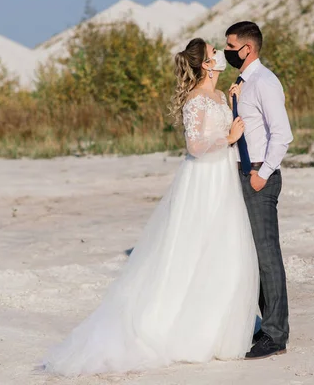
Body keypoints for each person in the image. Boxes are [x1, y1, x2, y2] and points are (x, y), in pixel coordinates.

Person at [41, 38, 259, 376]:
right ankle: (182, 330)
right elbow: (196, 146)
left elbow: (220, 127)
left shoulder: (217, 96)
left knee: (224, 249)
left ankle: (219, 330)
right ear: (205, 64)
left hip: (223, 179)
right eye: (215, 53)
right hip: (202, 179)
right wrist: (228, 139)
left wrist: (232, 103)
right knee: (192, 249)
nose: (220, 56)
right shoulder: (196, 100)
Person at [224, 21, 293, 360]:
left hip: (259, 176)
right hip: (242, 173)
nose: (227, 52)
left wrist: (261, 175)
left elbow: (282, 135)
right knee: (251, 256)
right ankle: (267, 325)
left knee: (267, 256)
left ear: (246, 49)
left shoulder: (264, 82)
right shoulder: (242, 84)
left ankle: (276, 335)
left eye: (230, 46)